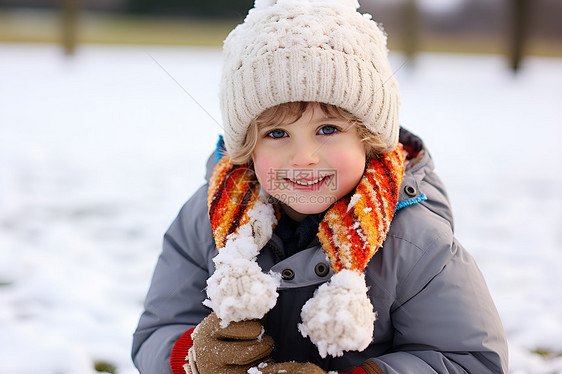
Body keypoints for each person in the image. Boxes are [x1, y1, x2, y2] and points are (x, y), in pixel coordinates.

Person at [132, 0, 509, 373]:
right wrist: (190, 358)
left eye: (327, 130)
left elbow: (469, 360)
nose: (304, 157)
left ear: (368, 139)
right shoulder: (206, 221)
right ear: (248, 148)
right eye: (277, 133)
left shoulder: (416, 243)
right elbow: (157, 330)